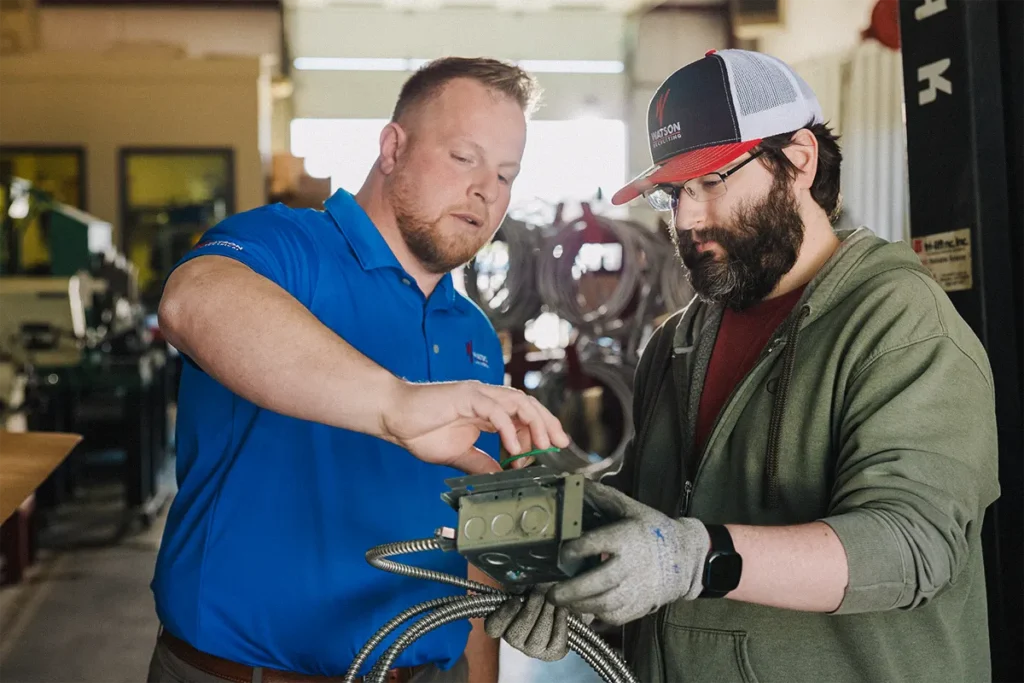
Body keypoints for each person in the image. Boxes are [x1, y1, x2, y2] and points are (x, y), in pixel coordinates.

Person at [486, 48, 1000, 683]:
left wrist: (699, 558)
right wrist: (568, 565)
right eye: (673, 193)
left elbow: (911, 547)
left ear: (800, 161)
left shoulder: (897, 324)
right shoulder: (680, 339)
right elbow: (664, 509)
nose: (689, 218)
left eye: (712, 182)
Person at [148, 57, 571, 683]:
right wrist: (396, 405)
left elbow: (482, 539)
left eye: (506, 174)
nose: (488, 190)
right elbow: (193, 301)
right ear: (393, 148)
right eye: (464, 158)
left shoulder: (475, 334)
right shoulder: (288, 249)